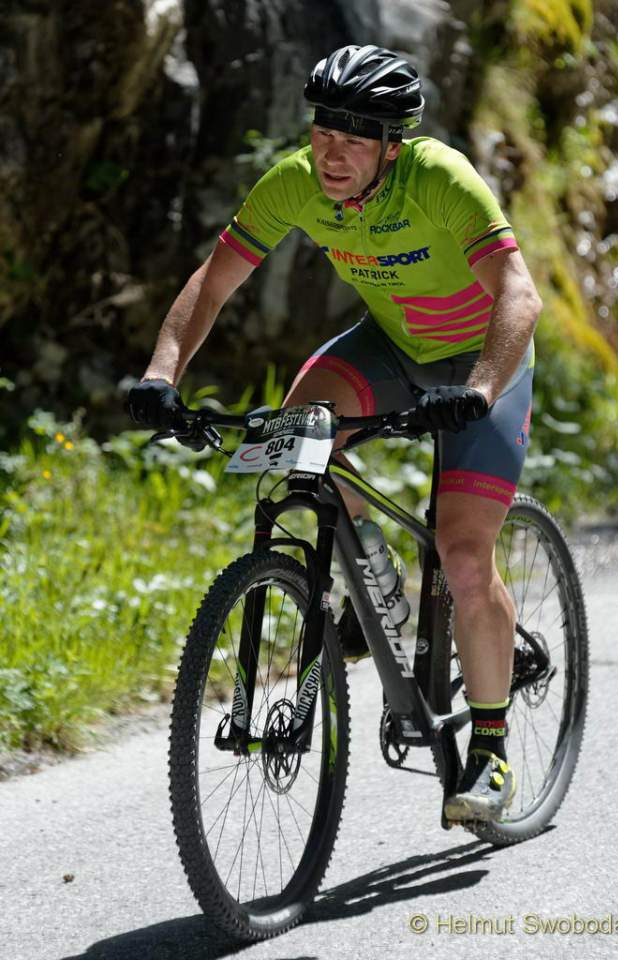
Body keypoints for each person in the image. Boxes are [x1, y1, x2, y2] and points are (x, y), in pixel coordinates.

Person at [128, 44, 542, 823]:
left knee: (461, 554)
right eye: (323, 133)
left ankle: (488, 754)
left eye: (353, 140)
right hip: (388, 346)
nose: (331, 154)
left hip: (480, 357)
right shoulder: (293, 182)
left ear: (392, 146)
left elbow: (518, 295)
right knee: (294, 445)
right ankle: (373, 583)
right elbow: (212, 283)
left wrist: (480, 389)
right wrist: (161, 375)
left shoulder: (440, 177)